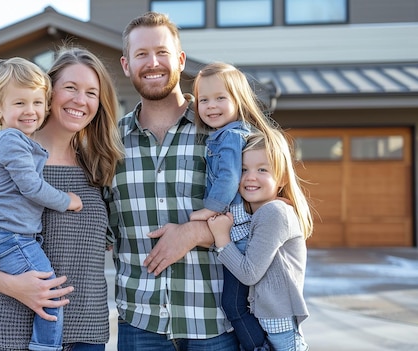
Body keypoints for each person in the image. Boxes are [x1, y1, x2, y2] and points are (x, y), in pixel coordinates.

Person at [0, 47, 124, 351]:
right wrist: (8, 283)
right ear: (49, 93)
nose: (80, 100)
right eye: (70, 88)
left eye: (91, 92)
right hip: (14, 335)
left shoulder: (99, 163)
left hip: (88, 334)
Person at [107, 11, 238, 350]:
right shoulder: (108, 142)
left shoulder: (224, 133)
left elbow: (267, 212)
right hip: (139, 321)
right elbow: (95, 224)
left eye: (162, 52)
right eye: (141, 54)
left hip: (216, 322)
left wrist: (196, 231)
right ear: (126, 64)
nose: (153, 62)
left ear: (180, 60)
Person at [0, 57, 84, 351]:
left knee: (48, 293)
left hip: (13, 237)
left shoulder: (20, 142)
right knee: (50, 293)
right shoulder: (10, 140)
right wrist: (68, 201)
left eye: (37, 102)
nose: (30, 111)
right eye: (19, 103)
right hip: (11, 238)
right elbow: (31, 187)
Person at [188, 62, 278, 351]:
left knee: (234, 305)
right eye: (204, 100)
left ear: (238, 100)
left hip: (237, 229)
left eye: (220, 98)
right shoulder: (226, 133)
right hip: (237, 228)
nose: (210, 106)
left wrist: (210, 209)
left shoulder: (230, 137)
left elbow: (228, 176)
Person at [208, 130, 313, 351]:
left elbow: (249, 273)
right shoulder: (259, 215)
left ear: (282, 177)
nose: (250, 177)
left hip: (282, 333)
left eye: (262, 169)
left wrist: (221, 238)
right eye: (243, 170)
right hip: (267, 327)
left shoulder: (274, 212)